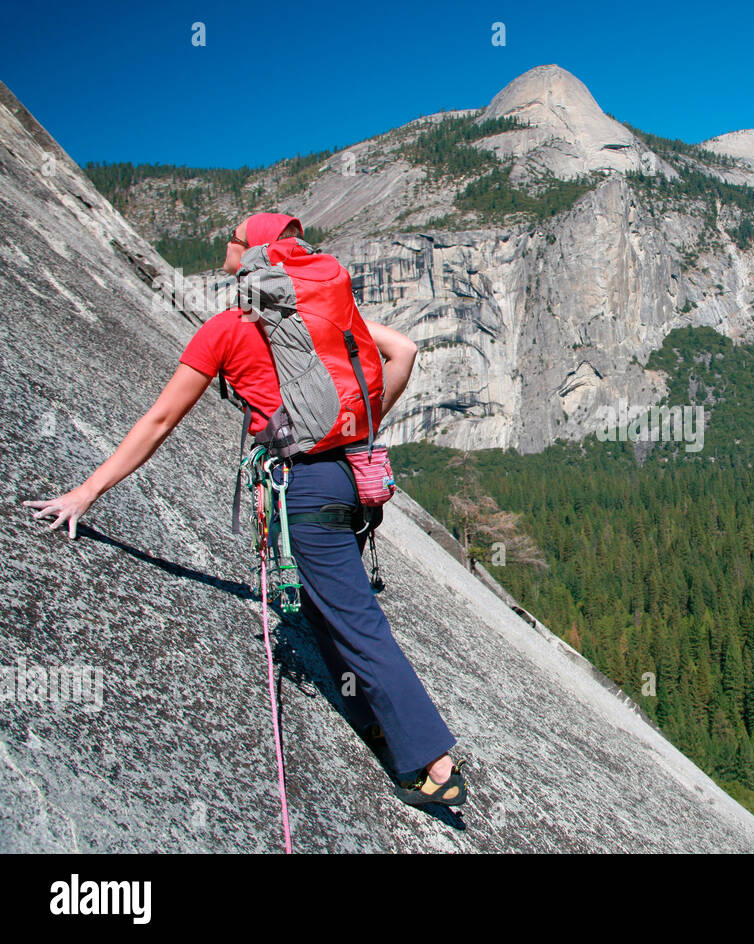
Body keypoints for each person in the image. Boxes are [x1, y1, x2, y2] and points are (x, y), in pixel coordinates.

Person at [23, 212, 465, 807]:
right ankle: (378, 719)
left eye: (232, 241)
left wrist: (87, 492)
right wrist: (355, 430)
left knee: (357, 622)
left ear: (249, 254)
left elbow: (158, 421)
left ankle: (434, 765)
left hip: (301, 492)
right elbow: (402, 350)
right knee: (325, 609)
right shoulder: (321, 321)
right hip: (346, 478)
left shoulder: (228, 328)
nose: (224, 247)